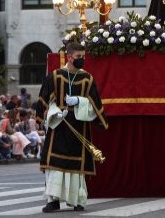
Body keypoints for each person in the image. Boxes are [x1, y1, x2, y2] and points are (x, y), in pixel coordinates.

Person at [35, 42, 108, 213]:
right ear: (69, 57)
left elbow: (96, 103)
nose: (82, 59)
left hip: (79, 126)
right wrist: (46, 115)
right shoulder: (55, 76)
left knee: (77, 167)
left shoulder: (87, 78)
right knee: (55, 164)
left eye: (83, 57)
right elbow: (43, 97)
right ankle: (53, 201)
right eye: (78, 57)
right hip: (60, 124)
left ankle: (78, 200)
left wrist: (79, 101)